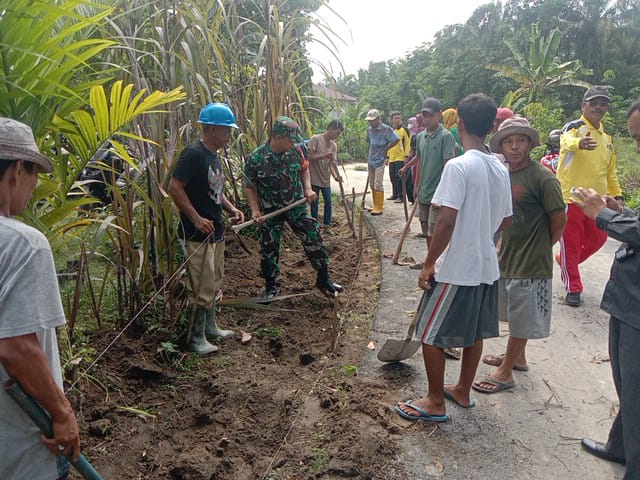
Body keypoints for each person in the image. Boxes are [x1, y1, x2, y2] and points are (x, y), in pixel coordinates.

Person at [394, 93, 512, 421]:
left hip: (458, 266)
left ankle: (434, 400)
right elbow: (506, 220)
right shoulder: (500, 169)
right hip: (487, 265)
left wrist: (429, 263)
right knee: (474, 332)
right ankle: (462, 389)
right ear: (491, 126)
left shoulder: (458, 166)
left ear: (457, 121)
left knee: (429, 333)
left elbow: (446, 220)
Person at [0, 118, 80, 479]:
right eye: (34, 173)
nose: (34, 186)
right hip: (19, 445)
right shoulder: (23, 244)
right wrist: (62, 413)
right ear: (17, 170)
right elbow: (16, 346)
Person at [473, 117, 566, 394]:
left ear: (530, 144)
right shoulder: (503, 173)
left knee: (523, 313)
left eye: (520, 141)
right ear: (501, 145)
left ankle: (505, 372)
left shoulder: (542, 178)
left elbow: (559, 220)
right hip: (507, 253)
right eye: (508, 141)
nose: (514, 147)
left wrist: (542, 246)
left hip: (531, 259)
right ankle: (518, 357)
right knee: (513, 310)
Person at [573, 99, 640, 480]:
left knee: (636, 385)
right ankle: (620, 447)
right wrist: (620, 211)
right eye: (636, 138)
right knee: (625, 379)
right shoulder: (575, 131)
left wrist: (603, 216)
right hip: (627, 298)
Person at [168, 103, 244, 355]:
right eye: (226, 130)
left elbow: (216, 190)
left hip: (215, 232)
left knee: (213, 281)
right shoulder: (193, 154)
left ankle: (210, 326)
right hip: (197, 234)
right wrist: (196, 218)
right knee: (200, 284)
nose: (229, 135)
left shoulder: (213, 155)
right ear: (211, 128)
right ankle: (195, 336)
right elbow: (175, 187)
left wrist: (231, 208)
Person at [243, 115, 343, 299]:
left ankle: (324, 278)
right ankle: (270, 286)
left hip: (295, 206)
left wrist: (307, 188)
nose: (294, 143)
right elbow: (249, 186)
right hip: (271, 211)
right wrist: (255, 210)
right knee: (269, 248)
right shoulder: (256, 158)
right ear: (278, 137)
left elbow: (304, 169)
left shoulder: (296, 150)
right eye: (290, 139)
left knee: (314, 236)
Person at [556, 85, 623, 307]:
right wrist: (579, 143)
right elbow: (565, 142)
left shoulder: (607, 139)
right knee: (571, 243)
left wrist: (617, 195)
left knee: (599, 239)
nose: (598, 107)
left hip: (597, 202)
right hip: (572, 197)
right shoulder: (574, 127)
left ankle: (564, 261)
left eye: (603, 103)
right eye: (593, 103)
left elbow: (610, 171)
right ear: (584, 105)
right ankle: (573, 287)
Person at [399, 98, 457, 253]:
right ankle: (430, 262)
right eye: (424, 115)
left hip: (438, 193)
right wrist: (416, 183)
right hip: (424, 190)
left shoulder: (446, 137)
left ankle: (435, 264)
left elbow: (448, 166)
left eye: (430, 115)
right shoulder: (421, 137)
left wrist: (444, 192)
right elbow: (420, 159)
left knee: (435, 229)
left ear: (439, 115)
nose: (427, 119)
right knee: (425, 226)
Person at [307, 120, 344, 234]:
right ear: (331, 129)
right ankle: (315, 227)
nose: (337, 136)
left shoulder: (333, 145)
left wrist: (335, 176)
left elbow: (331, 164)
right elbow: (309, 157)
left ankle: (326, 227)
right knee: (314, 204)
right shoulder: (316, 139)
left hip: (325, 178)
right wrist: (325, 155)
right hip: (314, 177)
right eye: (337, 133)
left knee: (328, 202)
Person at [365, 109, 399, 215]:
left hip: (380, 159)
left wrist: (386, 149)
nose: (370, 122)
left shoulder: (386, 129)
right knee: (372, 183)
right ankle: (375, 205)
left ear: (378, 119)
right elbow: (369, 142)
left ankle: (379, 207)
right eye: (369, 121)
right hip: (371, 159)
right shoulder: (369, 130)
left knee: (378, 183)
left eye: (372, 120)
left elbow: (396, 139)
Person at [385, 112, 411, 203]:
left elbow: (408, 143)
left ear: (401, 119)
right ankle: (395, 194)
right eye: (395, 118)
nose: (397, 120)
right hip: (392, 157)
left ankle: (401, 196)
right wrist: (387, 157)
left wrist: (406, 156)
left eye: (398, 118)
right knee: (392, 177)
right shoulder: (392, 130)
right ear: (392, 120)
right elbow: (389, 144)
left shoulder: (405, 130)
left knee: (399, 177)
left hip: (400, 157)